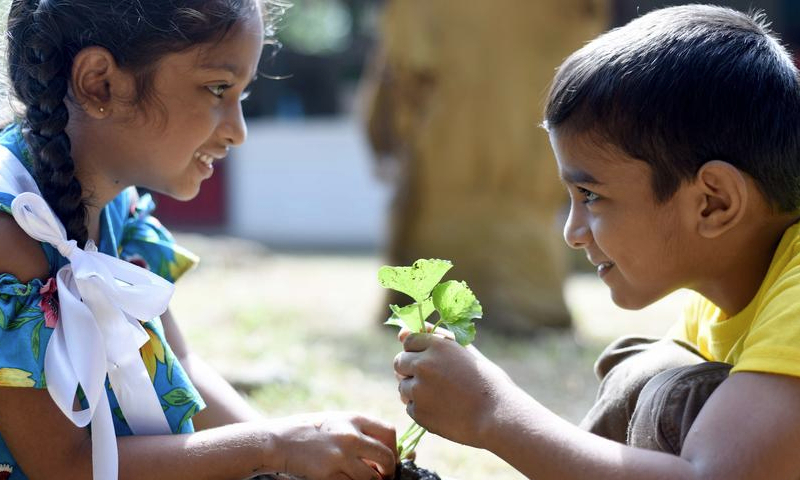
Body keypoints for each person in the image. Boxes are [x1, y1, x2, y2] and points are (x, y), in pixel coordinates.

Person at [393, 5, 800, 479]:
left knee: (673, 396)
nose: (572, 232)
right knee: (642, 373)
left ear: (713, 203)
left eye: (591, 195)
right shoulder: (724, 296)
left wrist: (492, 413)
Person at [0, 1, 397, 479]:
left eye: (242, 97)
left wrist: (298, 457)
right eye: (217, 89)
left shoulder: (119, 212)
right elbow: (65, 468)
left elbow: (182, 365)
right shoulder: (11, 232)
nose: (238, 132)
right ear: (99, 83)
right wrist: (272, 446)